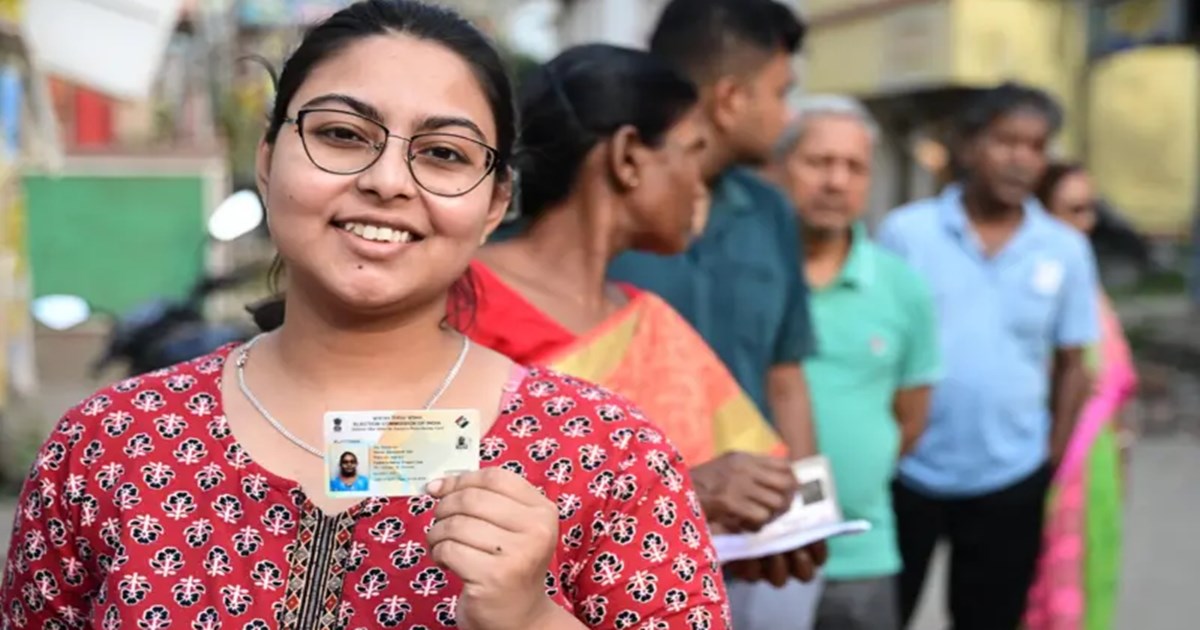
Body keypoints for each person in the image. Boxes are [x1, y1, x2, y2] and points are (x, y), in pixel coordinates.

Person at [0, 3, 729, 629]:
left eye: (443, 154)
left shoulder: (606, 459)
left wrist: (535, 617)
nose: (385, 181)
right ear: (268, 158)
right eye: (343, 135)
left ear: (495, 205)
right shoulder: (109, 446)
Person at [461, 44, 812, 560]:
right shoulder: (459, 300)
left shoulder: (645, 318)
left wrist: (750, 526)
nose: (698, 185)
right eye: (691, 151)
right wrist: (686, 490)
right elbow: (389, 484)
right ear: (627, 157)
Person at [604, 0, 824, 625]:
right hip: (621, 537)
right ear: (729, 99)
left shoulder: (772, 212)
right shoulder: (596, 215)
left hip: (759, 543)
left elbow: (785, 373)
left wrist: (808, 512)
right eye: (782, 94)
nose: (790, 117)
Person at [877, 83, 1100, 630]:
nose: (1022, 158)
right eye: (1006, 141)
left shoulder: (1064, 249)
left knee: (991, 619)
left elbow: (1073, 364)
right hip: (906, 472)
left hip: (1012, 475)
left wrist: (1052, 458)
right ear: (969, 145)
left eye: (1035, 145)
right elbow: (874, 348)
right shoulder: (909, 234)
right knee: (882, 617)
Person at [764, 96, 940, 630]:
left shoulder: (901, 287)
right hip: (755, 554)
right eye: (819, 162)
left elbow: (909, 421)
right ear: (779, 167)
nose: (836, 182)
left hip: (865, 554)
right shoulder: (744, 276)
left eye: (854, 167)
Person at [1024, 162, 1138, 630]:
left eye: (1089, 210)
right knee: (1045, 592)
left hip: (1101, 465)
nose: (1084, 222)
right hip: (1055, 464)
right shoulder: (1034, 286)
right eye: (1072, 210)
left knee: (1093, 583)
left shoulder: (1089, 288)